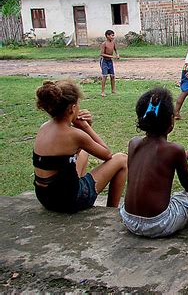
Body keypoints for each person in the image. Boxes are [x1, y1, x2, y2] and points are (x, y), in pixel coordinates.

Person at [119, 87, 188, 238]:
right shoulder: (174, 150)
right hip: (158, 224)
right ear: (171, 120)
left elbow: (148, 163)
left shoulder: (133, 143)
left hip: (128, 219)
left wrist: (179, 158)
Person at [33, 80, 127, 213]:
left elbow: (71, 149)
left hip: (46, 198)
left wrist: (80, 127)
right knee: (121, 159)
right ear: (72, 108)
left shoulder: (44, 128)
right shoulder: (75, 135)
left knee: (83, 153)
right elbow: (107, 154)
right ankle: (111, 211)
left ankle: (76, 187)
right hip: (69, 201)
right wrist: (85, 127)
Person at [100, 29, 119, 97]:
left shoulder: (113, 43)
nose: (113, 37)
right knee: (104, 76)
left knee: (112, 76)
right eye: (112, 35)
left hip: (110, 61)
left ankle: (113, 90)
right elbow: (102, 54)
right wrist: (112, 56)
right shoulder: (104, 44)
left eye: (113, 35)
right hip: (104, 61)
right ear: (107, 36)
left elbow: (116, 49)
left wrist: (117, 54)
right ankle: (102, 91)